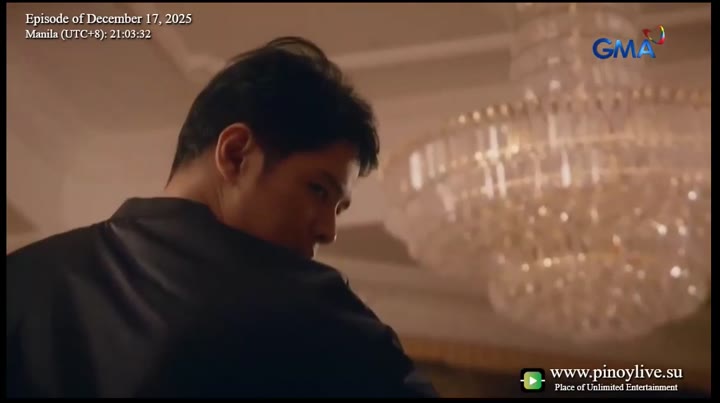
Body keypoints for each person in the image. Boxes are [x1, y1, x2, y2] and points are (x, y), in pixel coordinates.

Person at [6, 37, 438, 398]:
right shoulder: (303, 306)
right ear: (235, 154)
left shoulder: (22, 279)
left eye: (338, 209)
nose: (328, 230)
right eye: (318, 190)